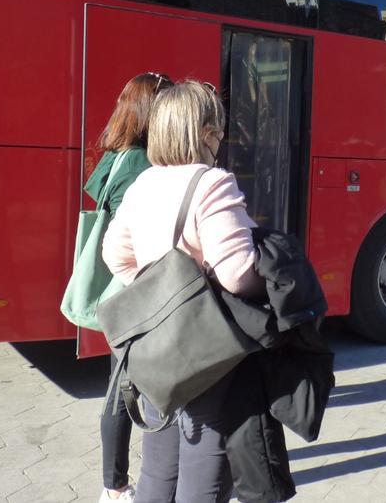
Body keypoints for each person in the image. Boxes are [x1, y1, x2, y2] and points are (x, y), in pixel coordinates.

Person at [102, 80, 263, 503]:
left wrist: (161, 289)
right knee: (204, 476)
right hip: (206, 354)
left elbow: (115, 257)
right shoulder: (213, 184)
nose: (221, 138)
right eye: (218, 129)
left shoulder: (143, 185)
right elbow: (237, 275)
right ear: (204, 131)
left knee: (157, 472)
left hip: (158, 354)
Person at [87, 72, 172, 503]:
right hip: (134, 287)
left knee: (120, 381)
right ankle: (115, 486)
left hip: (117, 288)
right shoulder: (142, 163)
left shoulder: (115, 155)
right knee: (121, 388)